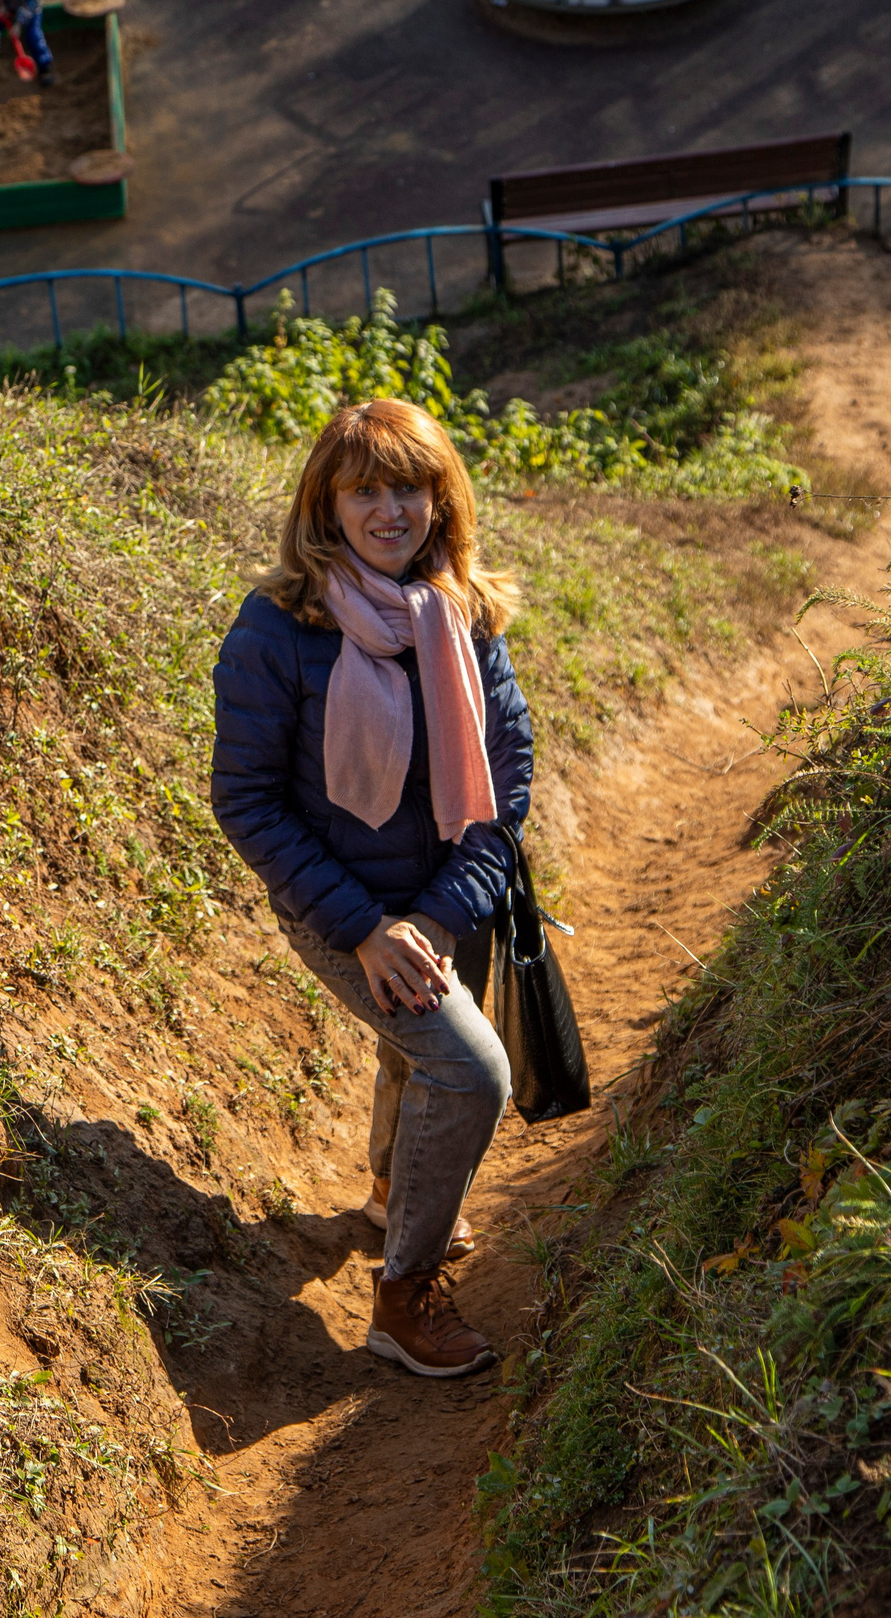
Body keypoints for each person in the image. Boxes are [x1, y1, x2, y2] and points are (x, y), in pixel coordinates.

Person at [210, 399, 534, 1379]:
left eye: (408, 488)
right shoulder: (277, 628)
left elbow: (504, 786)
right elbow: (247, 801)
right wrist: (365, 927)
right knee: (468, 1070)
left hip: (448, 893)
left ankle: (397, 1194)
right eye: (364, 491)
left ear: (441, 500)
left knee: (415, 1044)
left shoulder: (464, 614)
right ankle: (404, 1297)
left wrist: (434, 916)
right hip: (338, 905)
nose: (388, 510)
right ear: (327, 506)